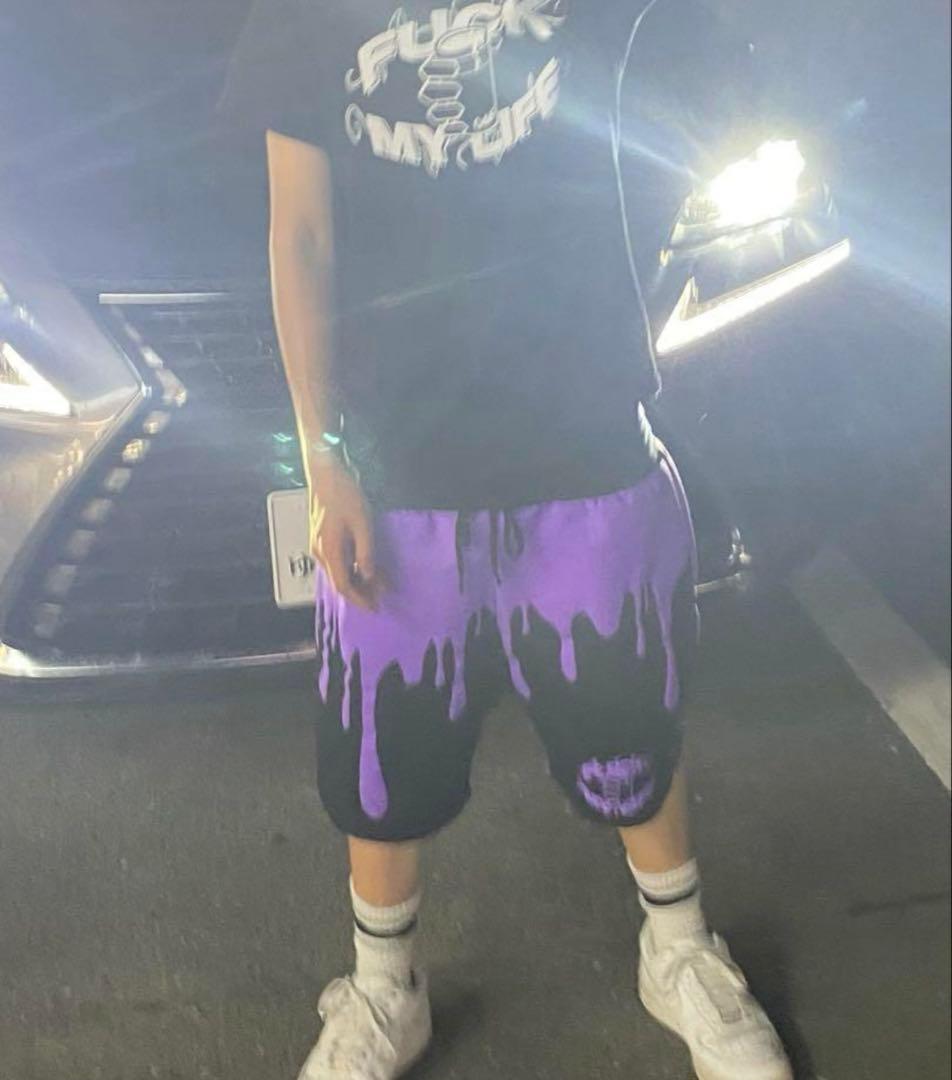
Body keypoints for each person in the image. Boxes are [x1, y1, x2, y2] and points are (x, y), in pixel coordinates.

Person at [220, 1, 792, 1076]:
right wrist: (323, 455)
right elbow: (299, 233)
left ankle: (678, 948)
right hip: (399, 455)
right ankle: (385, 988)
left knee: (630, 709)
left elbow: (704, 87)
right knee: (382, 745)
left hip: (584, 432)